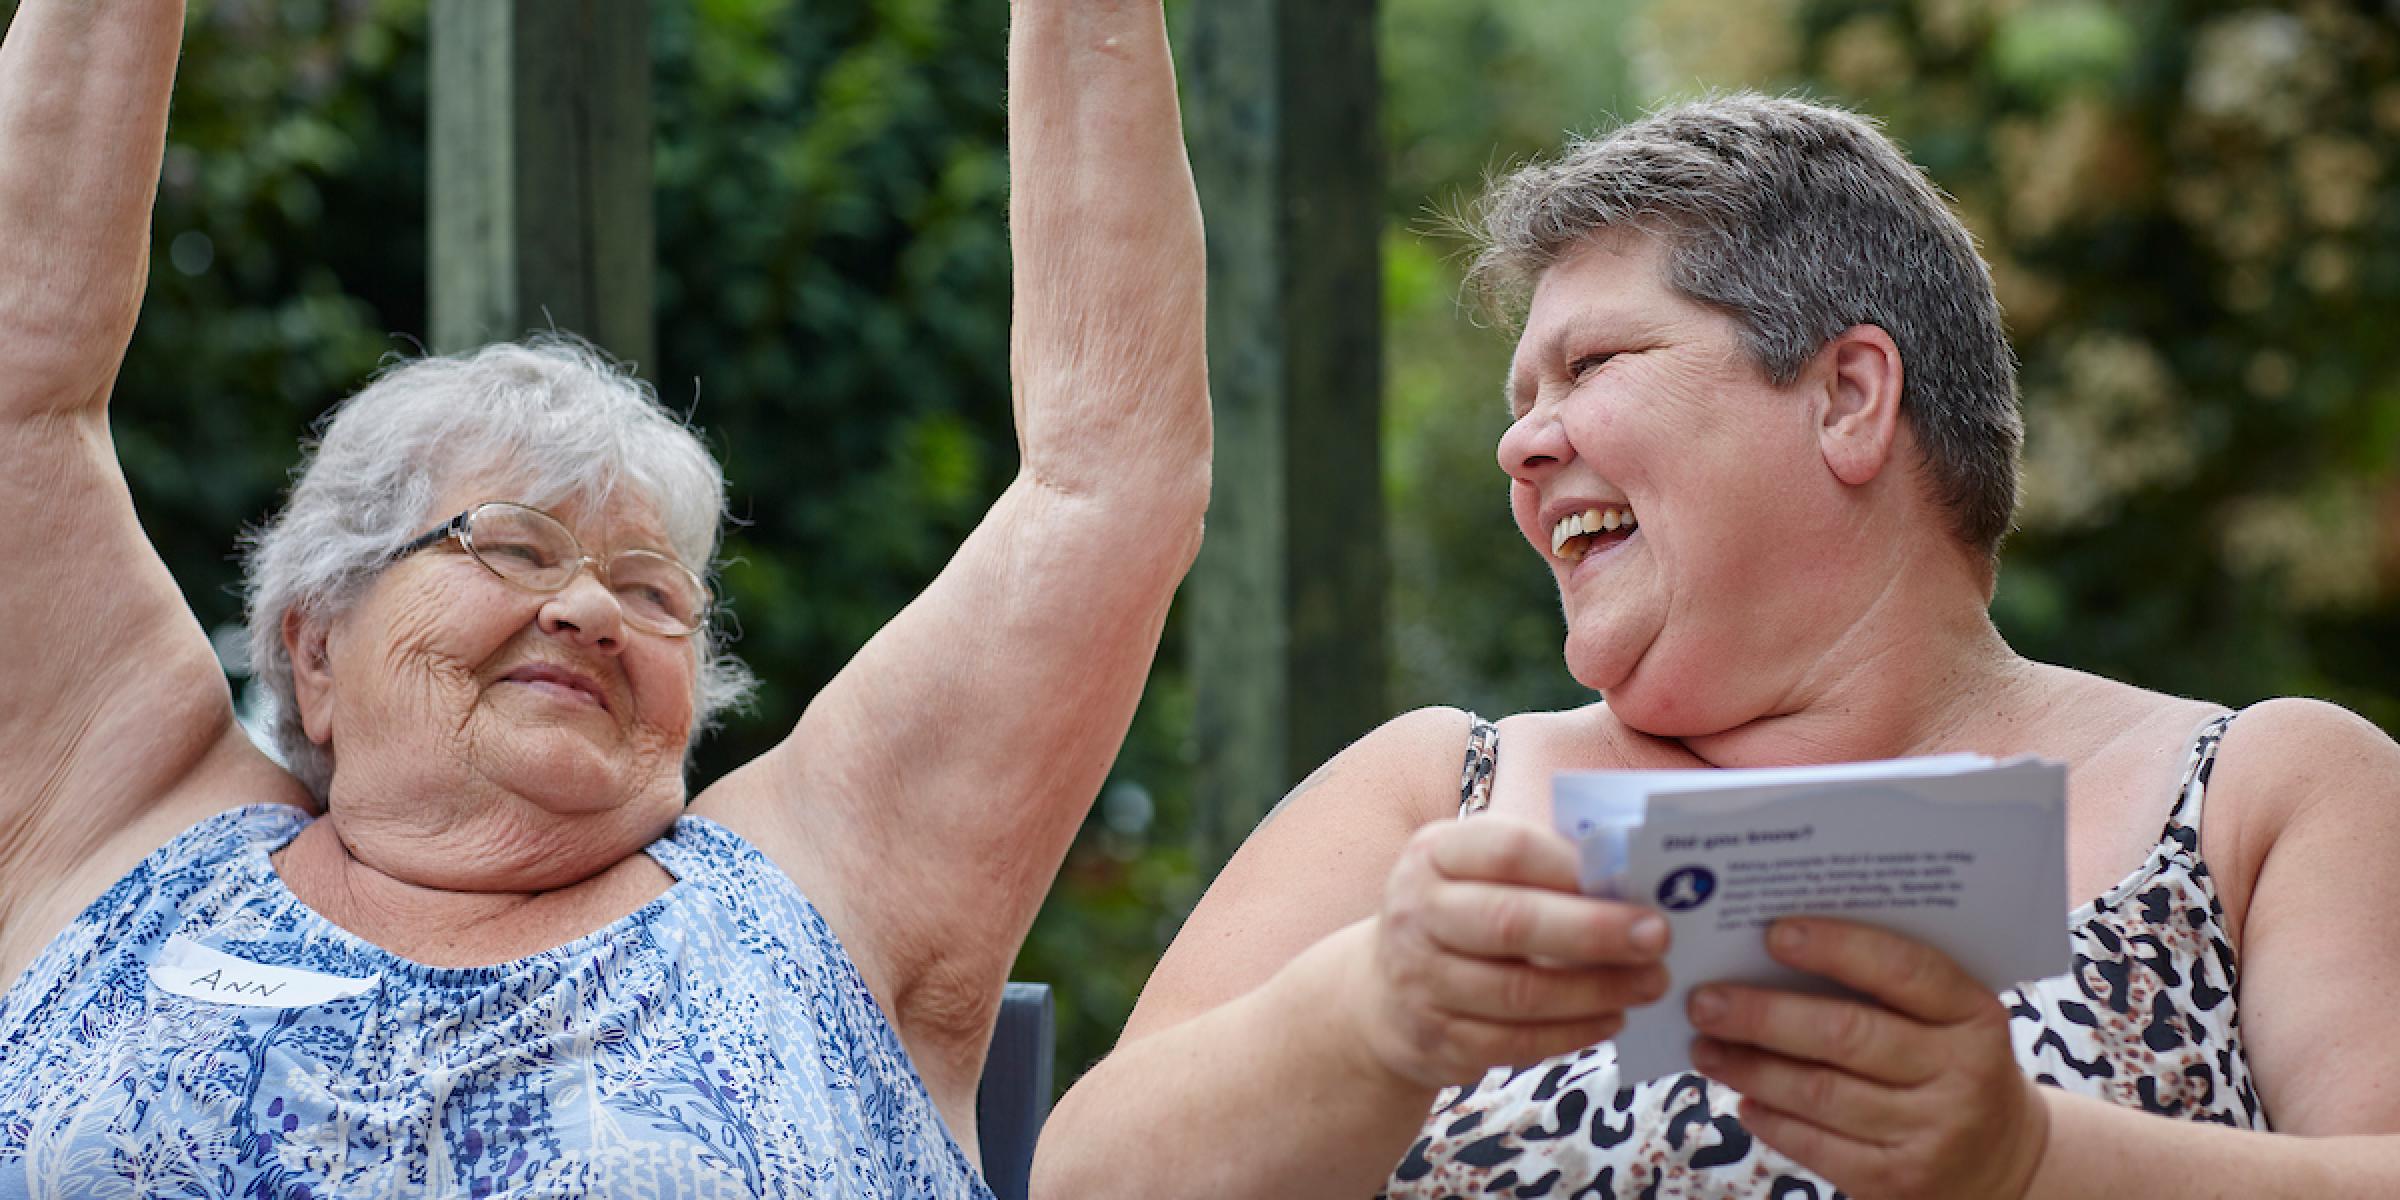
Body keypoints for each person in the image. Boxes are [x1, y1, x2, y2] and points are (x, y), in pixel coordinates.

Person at [1035, 94, 2400, 1198]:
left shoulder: (2259, 796)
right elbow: (1081, 1181)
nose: (1520, 445)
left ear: (1849, 397)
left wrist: (2031, 1164)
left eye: (1590, 367)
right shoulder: (1433, 792)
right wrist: (1369, 1019)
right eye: (1520, 397)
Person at [0, 1, 1205, 1195]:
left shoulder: (822, 897)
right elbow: (18, 381)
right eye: (512, 548)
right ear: (317, 647)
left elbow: (1108, 484)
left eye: (650, 590)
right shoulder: (125, 825)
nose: (590, 612)